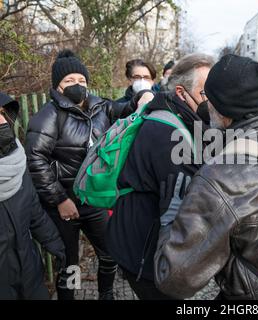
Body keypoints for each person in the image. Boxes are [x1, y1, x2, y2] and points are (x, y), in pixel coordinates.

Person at [153, 54, 258, 300]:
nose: (205, 105)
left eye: (208, 97)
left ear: (222, 107)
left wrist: (169, 218)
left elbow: (172, 277)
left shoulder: (219, 179)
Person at [25, 49, 153, 300]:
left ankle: (106, 294)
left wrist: (143, 94)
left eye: (81, 80)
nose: (77, 85)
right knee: (70, 264)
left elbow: (126, 110)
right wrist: (60, 200)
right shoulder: (48, 116)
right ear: (57, 86)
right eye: (69, 81)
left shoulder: (100, 107)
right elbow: (35, 159)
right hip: (65, 205)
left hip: (92, 200)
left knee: (110, 253)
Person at [106, 53, 215, 300]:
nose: (213, 101)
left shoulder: (179, 115)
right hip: (143, 253)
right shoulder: (167, 132)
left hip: (137, 237)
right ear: (180, 92)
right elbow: (186, 207)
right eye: (206, 94)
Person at [0, 93, 65, 300]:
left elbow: (34, 210)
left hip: (30, 274)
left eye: (2, 113)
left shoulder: (16, 161)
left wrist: (55, 244)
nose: (2, 121)